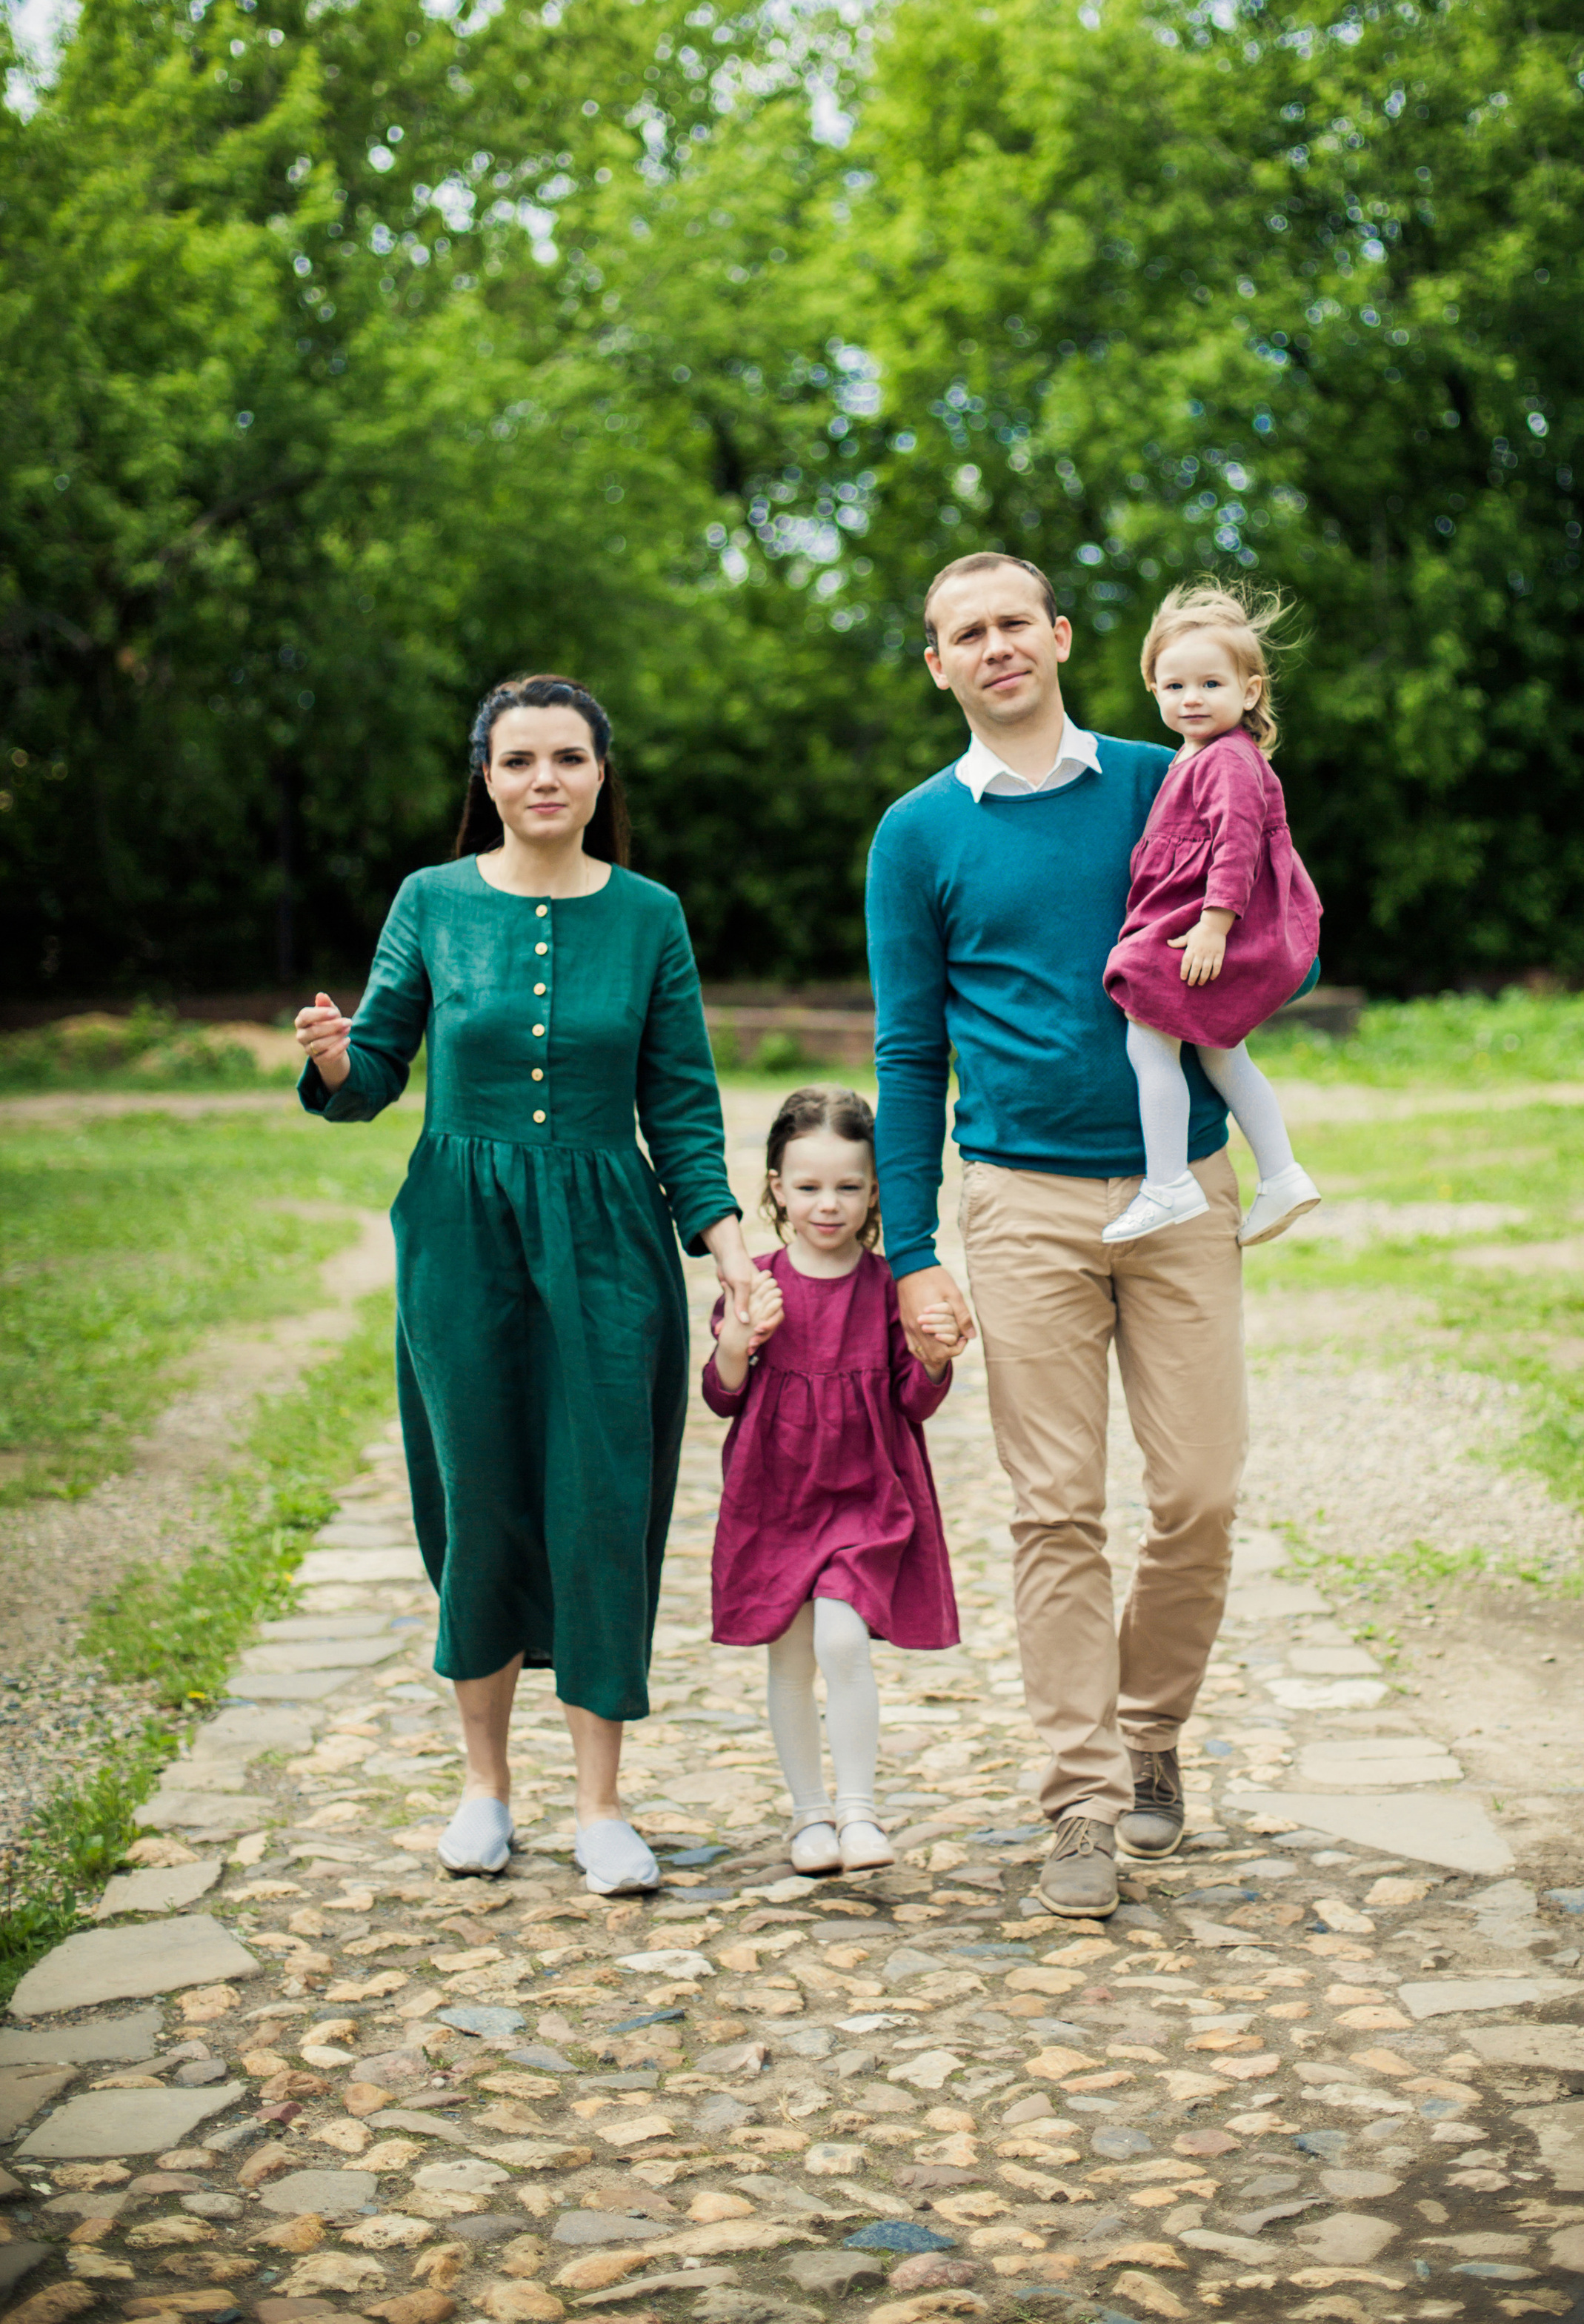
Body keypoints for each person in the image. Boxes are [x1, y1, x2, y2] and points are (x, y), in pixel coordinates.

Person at [293, 671, 759, 1899]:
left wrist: (727, 1248)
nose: (543, 778)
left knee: (604, 1502)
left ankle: (602, 1808)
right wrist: (338, 1060)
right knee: (481, 1495)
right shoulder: (431, 901)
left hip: (609, 1240)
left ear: (601, 777)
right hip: (463, 1238)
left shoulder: (651, 916)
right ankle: (485, 1791)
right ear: (486, 779)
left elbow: (682, 1103)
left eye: (567, 758)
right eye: (518, 760)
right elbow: (376, 1068)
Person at [866, 553, 1250, 1919]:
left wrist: (1245, 954)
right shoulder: (916, 835)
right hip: (1021, 1202)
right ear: (940, 666)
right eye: (966, 633)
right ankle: (1083, 1799)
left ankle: (1152, 1729)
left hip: (1182, 1184)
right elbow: (909, 1052)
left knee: (1199, 1494)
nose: (996, 646)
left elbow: (1278, 923)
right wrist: (911, 1250)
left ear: (1062, 636)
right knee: (1055, 1510)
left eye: (1014, 622)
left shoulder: (1165, 776)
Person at [703, 1086, 959, 1875]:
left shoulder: (887, 1287)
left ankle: (858, 1811)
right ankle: (809, 1815)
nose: (828, 1204)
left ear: (876, 1190)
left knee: (842, 1640)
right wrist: (739, 1340)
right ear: (776, 1187)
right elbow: (722, 1395)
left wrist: (934, 1358)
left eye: (849, 1186)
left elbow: (913, 1401)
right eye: (809, 1186)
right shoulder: (757, 1282)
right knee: (789, 1658)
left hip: (864, 1494)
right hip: (775, 1496)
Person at [1102, 580, 1323, 1246]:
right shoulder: (1193, 755)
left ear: (1249, 692)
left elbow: (1238, 843)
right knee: (1222, 1052)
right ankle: (1282, 1173)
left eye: (1210, 684)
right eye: (1174, 686)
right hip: (1199, 920)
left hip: (1213, 926)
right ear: (1153, 689)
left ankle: (1168, 1183)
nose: (1191, 698)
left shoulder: (1228, 758)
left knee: (1147, 1038)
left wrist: (1214, 924)